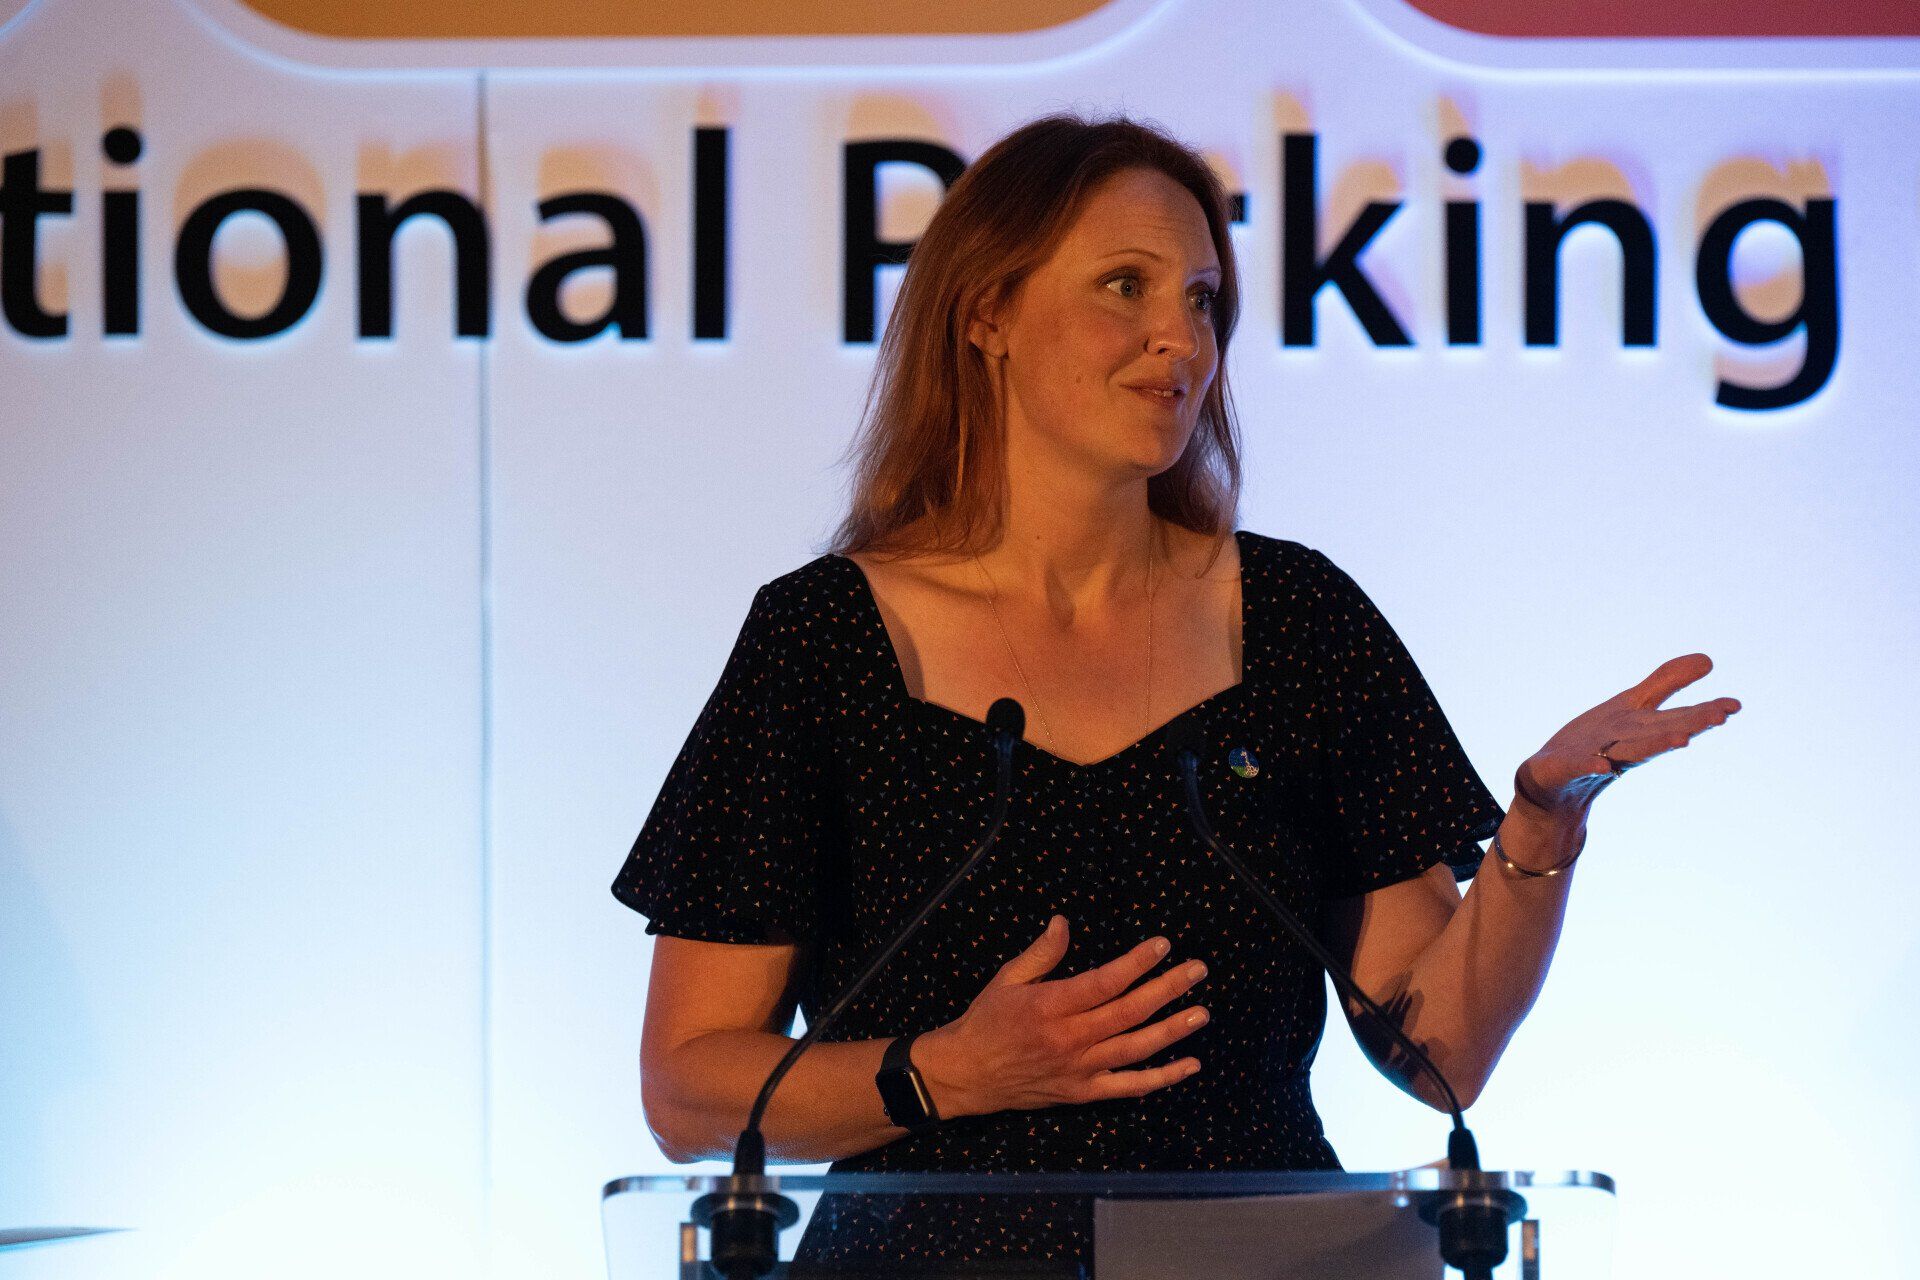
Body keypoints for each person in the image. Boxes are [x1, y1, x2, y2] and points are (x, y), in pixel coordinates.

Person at [611, 113, 1739, 1273]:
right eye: (1125, 286)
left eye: (1203, 299)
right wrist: (947, 1070)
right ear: (987, 313)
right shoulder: (821, 640)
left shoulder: (1298, 619)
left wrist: (1540, 828)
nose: (1180, 338)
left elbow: (1438, 1050)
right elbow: (688, 1085)